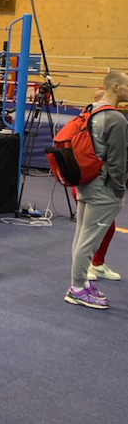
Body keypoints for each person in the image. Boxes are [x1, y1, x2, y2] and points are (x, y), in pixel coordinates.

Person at [65, 69, 128, 309]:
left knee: (82, 237)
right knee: (88, 241)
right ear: (116, 87)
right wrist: (119, 192)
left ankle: (80, 283)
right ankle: (77, 289)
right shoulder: (116, 119)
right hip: (102, 188)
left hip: (86, 183)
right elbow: (117, 161)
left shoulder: (92, 110)